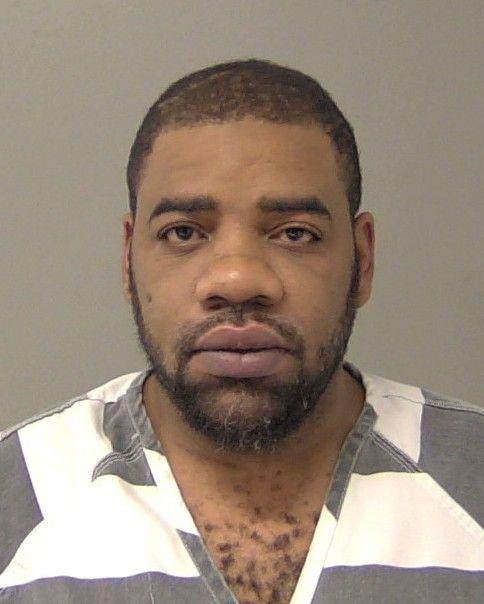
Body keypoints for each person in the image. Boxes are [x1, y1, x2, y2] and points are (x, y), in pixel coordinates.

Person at [0, 58, 482, 604]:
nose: (237, 280)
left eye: (295, 234)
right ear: (129, 261)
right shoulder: (17, 502)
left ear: (363, 259)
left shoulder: (472, 480)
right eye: (183, 233)